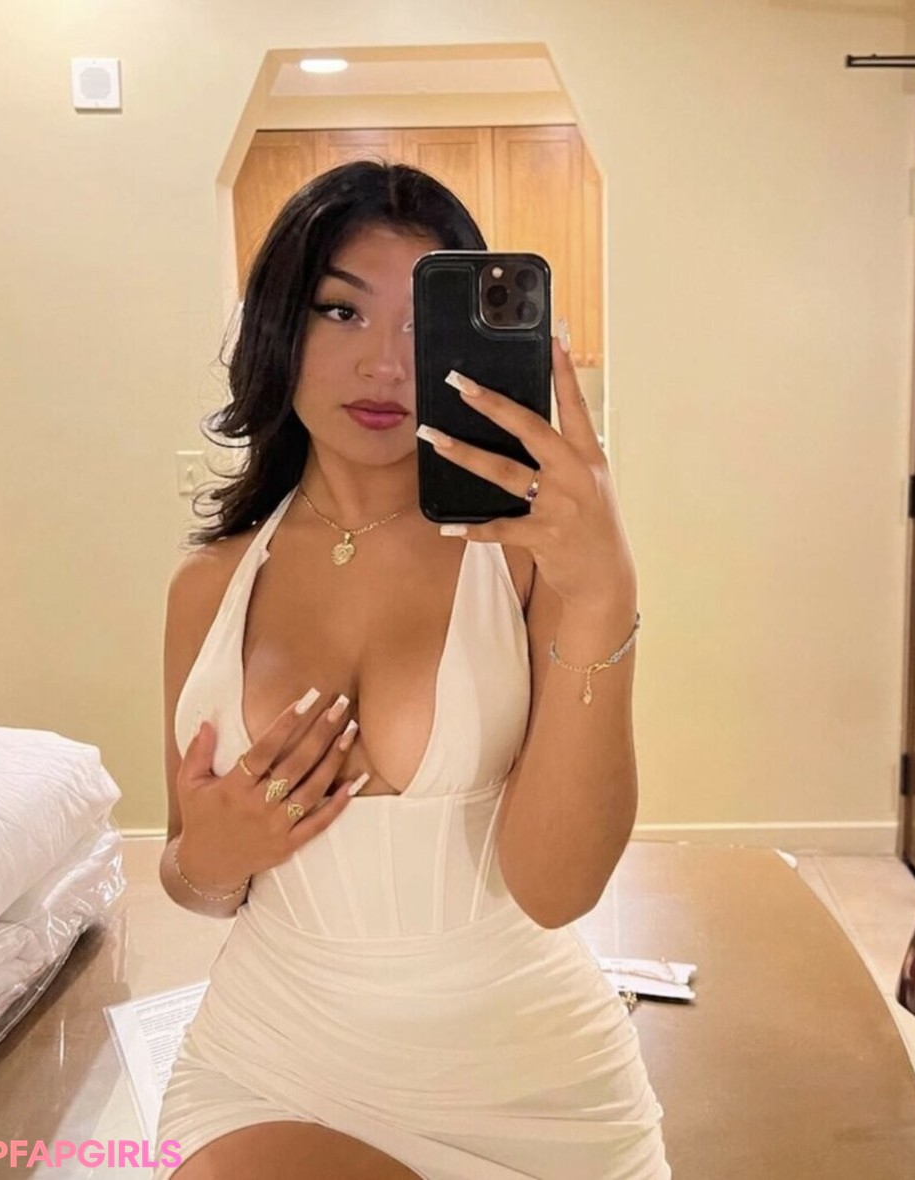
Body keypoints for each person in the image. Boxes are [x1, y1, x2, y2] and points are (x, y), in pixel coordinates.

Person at [156, 160, 670, 1180]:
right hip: (273, 1057)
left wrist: (604, 596)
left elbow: (558, 888)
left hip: (528, 1077)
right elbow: (191, 872)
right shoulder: (208, 585)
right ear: (277, 328)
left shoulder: (527, 560)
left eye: (421, 323)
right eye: (341, 310)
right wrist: (209, 858)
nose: (386, 364)